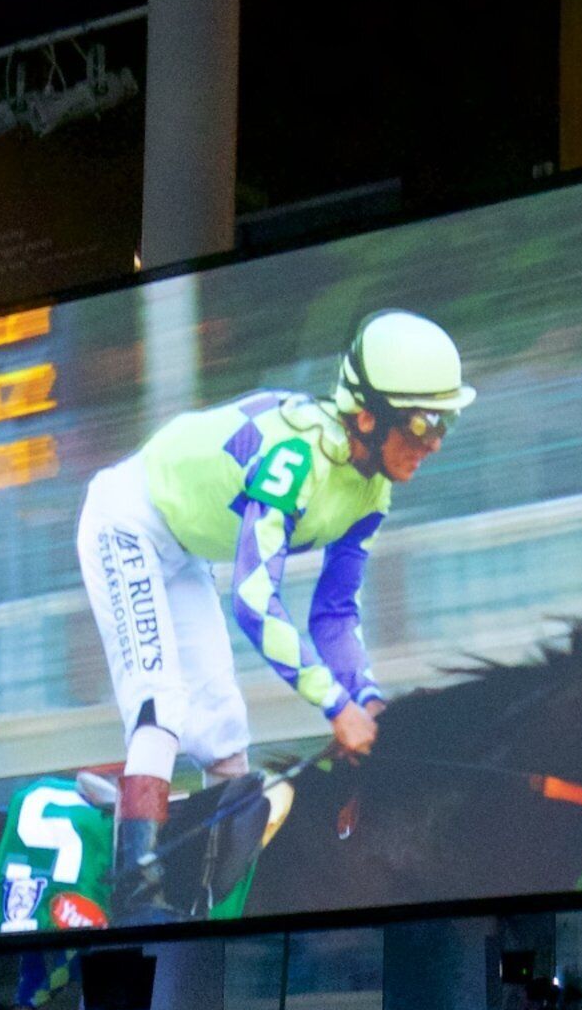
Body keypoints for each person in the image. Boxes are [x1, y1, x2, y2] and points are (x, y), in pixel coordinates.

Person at [76, 309, 476, 920]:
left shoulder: (373, 489)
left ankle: (210, 899)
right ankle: (136, 895)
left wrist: (364, 695)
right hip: (126, 523)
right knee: (162, 708)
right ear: (367, 416)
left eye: (444, 422)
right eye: (423, 422)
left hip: (184, 551)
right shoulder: (296, 459)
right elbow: (254, 598)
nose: (434, 442)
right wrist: (335, 706)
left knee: (226, 735)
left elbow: (335, 613)